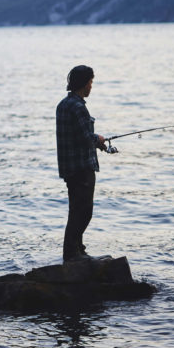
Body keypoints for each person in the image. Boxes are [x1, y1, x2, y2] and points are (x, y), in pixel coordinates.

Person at [55, 65, 116, 262]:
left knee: (76, 210)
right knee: (83, 212)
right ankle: (74, 254)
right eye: (91, 82)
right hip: (82, 167)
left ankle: (77, 252)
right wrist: (98, 139)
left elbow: (75, 136)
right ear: (83, 83)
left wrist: (96, 142)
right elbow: (84, 137)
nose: (91, 86)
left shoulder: (63, 104)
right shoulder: (79, 107)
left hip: (69, 167)